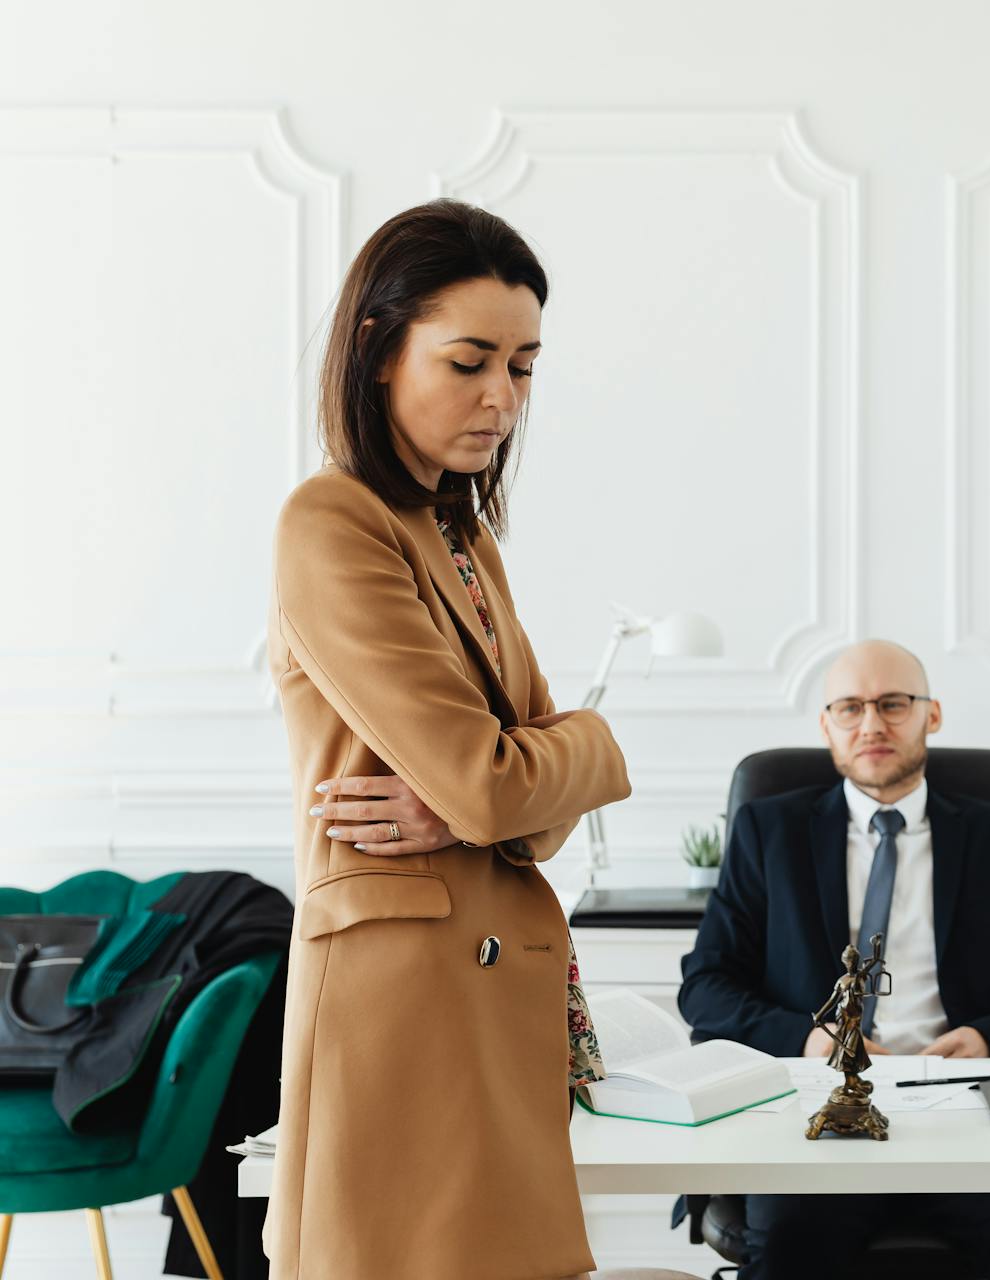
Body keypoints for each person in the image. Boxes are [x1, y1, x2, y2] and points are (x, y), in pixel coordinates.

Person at [267, 199, 694, 1280]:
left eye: (524, 366)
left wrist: (501, 787)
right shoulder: (333, 521)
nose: (502, 398)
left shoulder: (458, 533)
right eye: (468, 361)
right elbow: (498, 787)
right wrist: (572, 754)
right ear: (377, 348)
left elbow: (511, 808)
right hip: (402, 1004)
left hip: (484, 990)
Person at [680, 639, 990, 1280]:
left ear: (931, 715)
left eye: (893, 704)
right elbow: (705, 986)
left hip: (965, 1115)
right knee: (791, 1244)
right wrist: (809, 1038)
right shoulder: (771, 832)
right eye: (850, 708)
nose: (872, 724)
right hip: (820, 1117)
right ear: (827, 725)